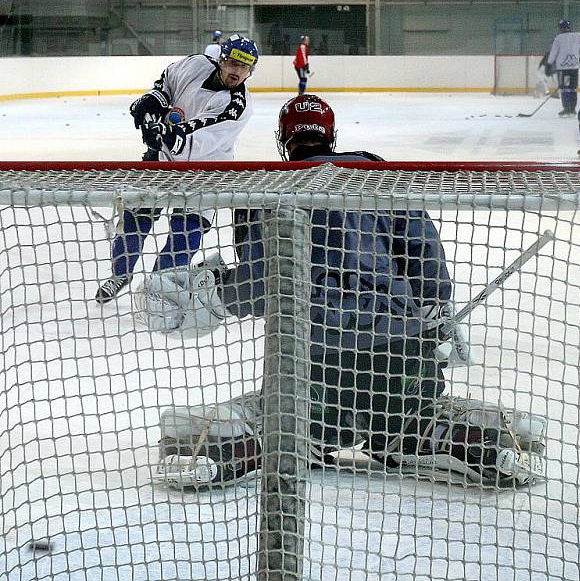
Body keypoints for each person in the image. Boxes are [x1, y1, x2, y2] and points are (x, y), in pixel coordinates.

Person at [133, 94, 548, 489]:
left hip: (312, 355)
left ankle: (231, 449)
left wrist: (215, 295)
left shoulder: (263, 191)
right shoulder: (380, 177)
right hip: (400, 349)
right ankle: (482, 443)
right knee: (411, 420)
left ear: (284, 141)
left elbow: (264, 283)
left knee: (282, 422)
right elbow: (426, 260)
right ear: (331, 136)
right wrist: (434, 309)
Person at [95, 34, 257, 304]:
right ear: (221, 59)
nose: (236, 72)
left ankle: (157, 288)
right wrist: (153, 100)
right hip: (162, 162)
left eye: (244, 67)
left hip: (206, 174)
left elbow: (195, 137)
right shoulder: (195, 65)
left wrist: (163, 133)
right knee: (135, 217)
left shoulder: (237, 105)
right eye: (231, 62)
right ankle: (120, 275)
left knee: (186, 232)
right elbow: (167, 81)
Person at [546, 19, 580, 117]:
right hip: (574, 68)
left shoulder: (558, 38)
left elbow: (553, 52)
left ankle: (567, 109)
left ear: (560, 28)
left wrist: (549, 64)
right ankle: (572, 109)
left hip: (563, 68)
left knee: (565, 88)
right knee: (573, 88)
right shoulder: (578, 36)